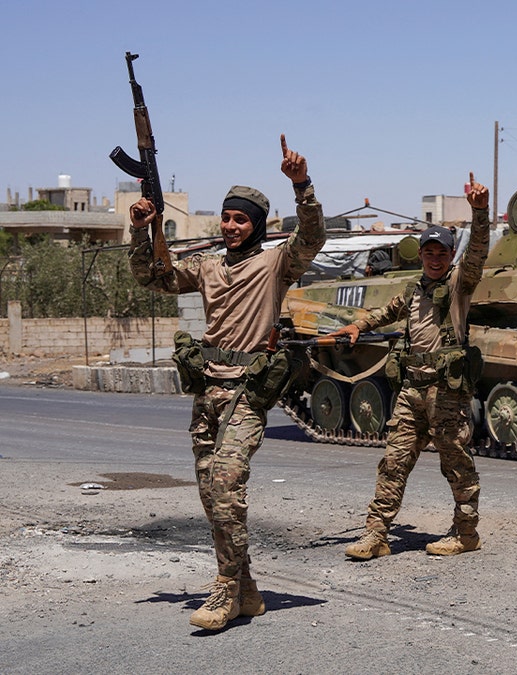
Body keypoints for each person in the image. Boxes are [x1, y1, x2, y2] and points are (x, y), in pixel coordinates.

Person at [128, 134, 326, 631]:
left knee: (226, 488)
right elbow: (155, 277)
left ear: (256, 225)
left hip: (247, 393)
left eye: (241, 219)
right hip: (209, 393)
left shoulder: (275, 263)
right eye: (226, 217)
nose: (231, 226)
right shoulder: (209, 266)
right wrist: (141, 230)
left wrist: (301, 185)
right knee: (209, 493)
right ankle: (249, 590)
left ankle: (224, 590)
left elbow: (312, 237)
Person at [334, 173, 490, 560]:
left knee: (455, 462)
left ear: (450, 256)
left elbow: (479, 253)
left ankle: (466, 532)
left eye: (442, 253)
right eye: (429, 253)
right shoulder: (413, 289)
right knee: (393, 463)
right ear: (420, 255)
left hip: (446, 392)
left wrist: (480, 212)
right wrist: (357, 325)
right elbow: (385, 312)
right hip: (412, 390)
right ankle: (376, 533)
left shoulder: (459, 284)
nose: (435, 259)